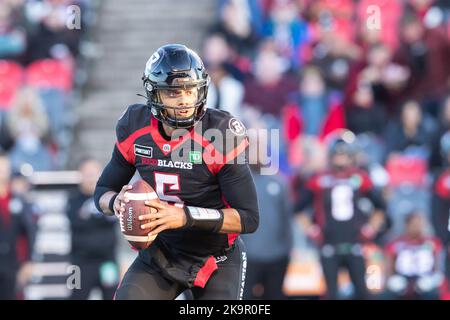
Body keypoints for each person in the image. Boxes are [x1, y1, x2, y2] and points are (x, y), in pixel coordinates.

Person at [94, 44, 259, 300]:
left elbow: (249, 218)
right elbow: (103, 191)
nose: (184, 99)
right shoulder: (135, 127)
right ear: (155, 94)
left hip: (217, 258)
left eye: (190, 90)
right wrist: (116, 202)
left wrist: (183, 216)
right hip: (161, 255)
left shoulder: (220, 133)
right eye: (173, 92)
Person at [294, 130, 387, 299]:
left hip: (355, 243)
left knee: (362, 291)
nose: (340, 158)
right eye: (337, 154)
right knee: (331, 293)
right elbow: (298, 209)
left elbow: (380, 206)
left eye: (344, 154)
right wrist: (311, 230)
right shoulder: (319, 179)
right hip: (329, 244)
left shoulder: (360, 178)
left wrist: (370, 229)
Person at [67, 158, 120, 300]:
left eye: (94, 173)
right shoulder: (72, 200)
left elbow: (113, 218)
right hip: (79, 263)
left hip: (107, 262)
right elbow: (76, 220)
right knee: (75, 296)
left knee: (113, 296)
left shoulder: (111, 198)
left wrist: (90, 215)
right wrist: (98, 215)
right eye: (87, 174)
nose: (91, 178)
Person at [0, 151, 36, 300]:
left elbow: (28, 232)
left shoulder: (18, 199)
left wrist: (28, 261)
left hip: (11, 265)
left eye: (4, 166)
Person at [384, 212, 444, 300]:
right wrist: (391, 280)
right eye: (415, 224)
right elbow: (388, 266)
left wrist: (432, 280)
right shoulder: (396, 243)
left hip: (425, 281)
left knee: (433, 294)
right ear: (407, 225)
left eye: (420, 224)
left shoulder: (432, 243)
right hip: (402, 281)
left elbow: (439, 267)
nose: (418, 227)